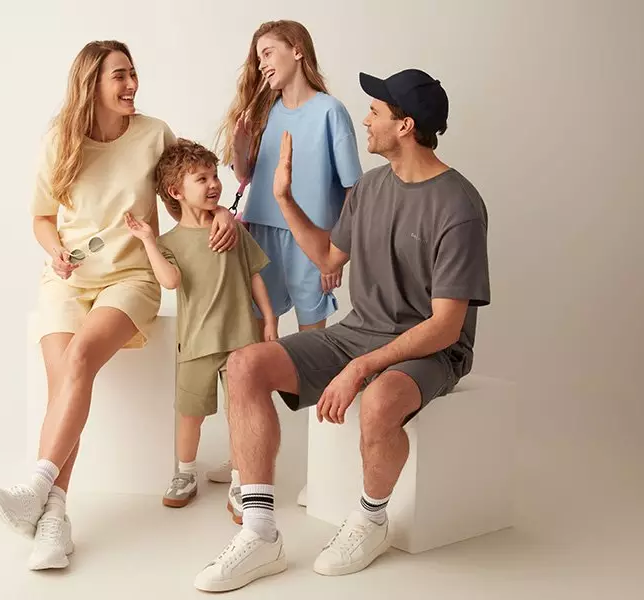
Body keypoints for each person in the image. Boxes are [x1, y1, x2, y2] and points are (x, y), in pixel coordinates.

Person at [194, 68, 490, 592]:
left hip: (432, 349)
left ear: (405, 125)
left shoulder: (459, 206)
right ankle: (261, 533)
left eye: (375, 111)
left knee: (377, 404)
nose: (366, 119)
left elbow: (445, 326)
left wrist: (364, 367)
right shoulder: (371, 188)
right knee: (244, 365)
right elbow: (330, 256)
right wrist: (284, 199)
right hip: (359, 331)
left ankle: (371, 522)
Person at [0, 40, 239, 572]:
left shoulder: (153, 133)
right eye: (119, 76)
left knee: (78, 361)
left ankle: (36, 487)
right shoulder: (61, 138)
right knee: (62, 386)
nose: (131, 85)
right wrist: (54, 252)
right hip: (67, 282)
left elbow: (188, 190)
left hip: (130, 279)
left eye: (133, 74)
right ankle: (53, 517)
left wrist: (223, 214)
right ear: (91, 84)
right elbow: (41, 217)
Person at [209, 18, 364, 510]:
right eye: (258, 57)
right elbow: (246, 175)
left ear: (297, 51)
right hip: (260, 237)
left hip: (311, 240)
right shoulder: (266, 110)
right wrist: (239, 145)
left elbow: (355, 191)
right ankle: (243, 466)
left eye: (270, 52)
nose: (263, 63)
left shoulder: (330, 112)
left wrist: (334, 251)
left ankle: (323, 473)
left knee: (315, 357)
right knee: (250, 360)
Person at [124, 139, 277, 509]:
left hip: (241, 339)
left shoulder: (232, 229)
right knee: (190, 414)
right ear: (176, 191)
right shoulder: (170, 241)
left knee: (241, 413)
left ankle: (242, 480)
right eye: (201, 178)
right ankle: (185, 472)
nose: (213, 184)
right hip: (195, 344)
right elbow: (171, 281)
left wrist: (269, 320)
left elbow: (255, 275)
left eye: (214, 176)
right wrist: (148, 241)